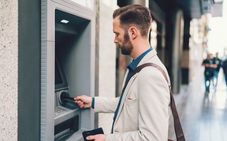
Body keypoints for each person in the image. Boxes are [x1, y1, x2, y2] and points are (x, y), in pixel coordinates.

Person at [75, 4, 175, 141]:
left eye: (117, 33)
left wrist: (107, 139)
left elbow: (152, 138)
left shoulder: (150, 75)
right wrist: (93, 102)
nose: (115, 39)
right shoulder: (138, 66)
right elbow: (128, 104)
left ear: (133, 33)